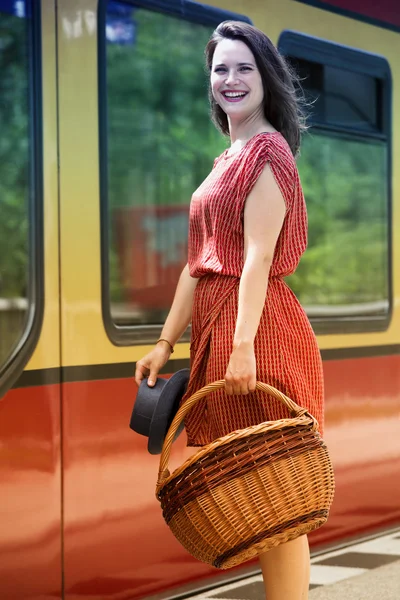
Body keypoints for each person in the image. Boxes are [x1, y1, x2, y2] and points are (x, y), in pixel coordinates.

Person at [135, 20, 324, 600]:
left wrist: (242, 348)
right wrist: (165, 343)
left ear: (265, 77)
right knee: (257, 489)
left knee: (274, 491)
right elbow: (200, 264)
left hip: (259, 334)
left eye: (244, 67)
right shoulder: (229, 155)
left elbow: (258, 259)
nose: (231, 79)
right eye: (221, 69)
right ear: (210, 81)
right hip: (223, 331)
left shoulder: (266, 151)